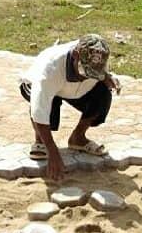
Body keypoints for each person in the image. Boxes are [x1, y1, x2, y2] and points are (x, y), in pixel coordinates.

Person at [20, 34, 121, 181]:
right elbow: (39, 110)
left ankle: (78, 138)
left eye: (92, 73)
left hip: (72, 90)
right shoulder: (49, 70)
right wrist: (53, 152)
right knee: (47, 109)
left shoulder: (99, 55)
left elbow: (103, 74)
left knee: (103, 94)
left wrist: (107, 78)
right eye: (85, 71)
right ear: (75, 55)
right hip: (37, 86)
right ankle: (40, 142)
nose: (86, 77)